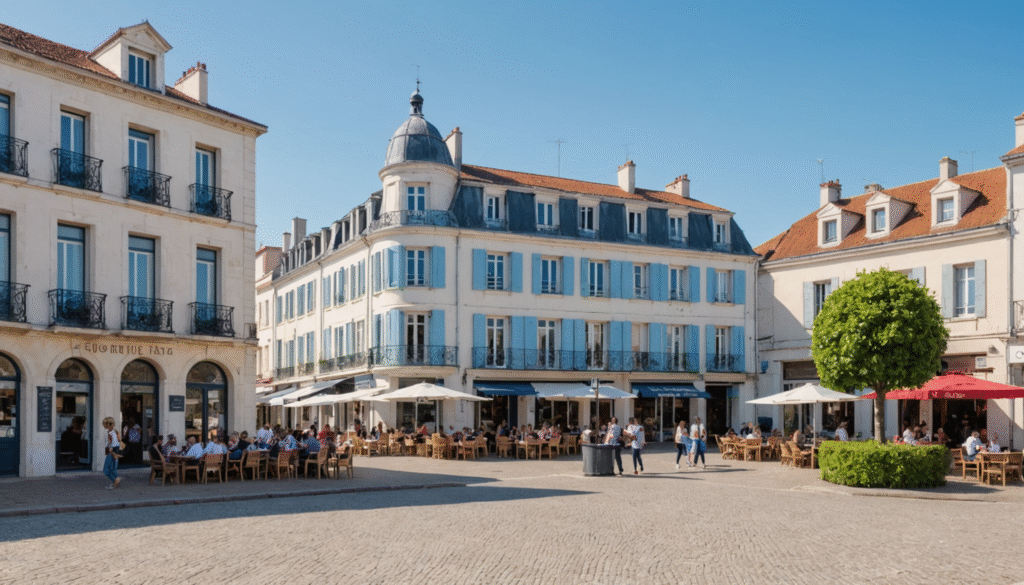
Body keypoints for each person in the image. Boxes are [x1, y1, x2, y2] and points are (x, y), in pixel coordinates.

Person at [102, 416, 121, 489]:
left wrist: (111, 452)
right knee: (113, 469)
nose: (103, 425)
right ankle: (115, 481)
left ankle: (115, 480)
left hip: (111, 453)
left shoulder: (110, 433)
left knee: (106, 470)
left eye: (105, 423)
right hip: (114, 453)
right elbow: (117, 443)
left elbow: (112, 444)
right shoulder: (114, 432)